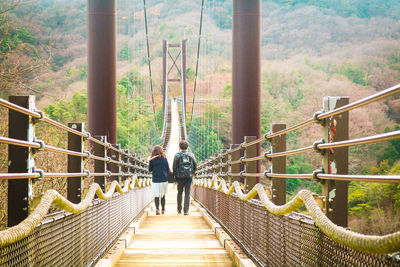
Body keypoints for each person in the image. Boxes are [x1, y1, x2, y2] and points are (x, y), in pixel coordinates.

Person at [173, 140, 197, 215]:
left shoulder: (177, 155)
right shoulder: (191, 155)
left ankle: (179, 209)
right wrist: (193, 173)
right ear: (187, 147)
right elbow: (195, 165)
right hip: (189, 176)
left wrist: (175, 177)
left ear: (179, 147)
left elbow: (174, 167)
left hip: (179, 177)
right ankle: (186, 211)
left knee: (179, 193)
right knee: (187, 193)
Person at [148, 145, 170, 215]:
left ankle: (157, 209)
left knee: (156, 195)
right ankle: (163, 209)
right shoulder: (164, 159)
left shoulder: (152, 160)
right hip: (164, 179)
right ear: (161, 151)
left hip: (156, 179)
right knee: (163, 195)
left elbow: (149, 170)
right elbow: (167, 169)